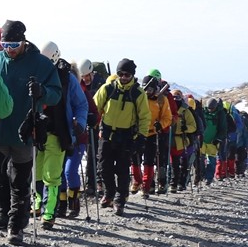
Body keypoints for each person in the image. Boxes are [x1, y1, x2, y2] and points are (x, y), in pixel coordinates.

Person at [0, 20, 60, 246]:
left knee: (20, 184)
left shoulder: (41, 64)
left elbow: (56, 94)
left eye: (13, 44)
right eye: (5, 44)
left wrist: (43, 91)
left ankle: (16, 228)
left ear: (23, 41)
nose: (9, 49)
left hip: (24, 134)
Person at [33, 43, 88, 228]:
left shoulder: (67, 78)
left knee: (52, 175)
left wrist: (80, 123)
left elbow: (81, 104)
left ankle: (49, 213)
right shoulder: (36, 72)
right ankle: (38, 204)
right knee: (37, 172)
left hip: (58, 132)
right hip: (37, 131)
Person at [93, 59, 151, 215]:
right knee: (104, 168)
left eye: (127, 74)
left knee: (123, 170)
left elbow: (145, 117)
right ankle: (109, 193)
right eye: (121, 74)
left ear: (132, 75)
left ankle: (120, 200)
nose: (124, 77)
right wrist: (91, 120)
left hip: (126, 136)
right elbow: (95, 107)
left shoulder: (138, 93)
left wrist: (141, 137)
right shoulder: (107, 89)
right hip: (106, 134)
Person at [62, 59, 100, 217]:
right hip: (62, 137)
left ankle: (73, 204)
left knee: (69, 171)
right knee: (59, 173)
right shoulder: (64, 90)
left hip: (79, 138)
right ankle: (62, 205)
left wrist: (88, 120)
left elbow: (95, 114)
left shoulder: (83, 93)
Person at [132, 73, 172, 198]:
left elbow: (167, 117)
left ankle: (146, 186)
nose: (147, 92)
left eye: (150, 89)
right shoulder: (138, 97)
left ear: (155, 88)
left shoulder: (161, 100)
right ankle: (137, 180)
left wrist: (160, 125)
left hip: (152, 134)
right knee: (135, 158)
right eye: (145, 88)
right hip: (138, 133)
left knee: (149, 161)